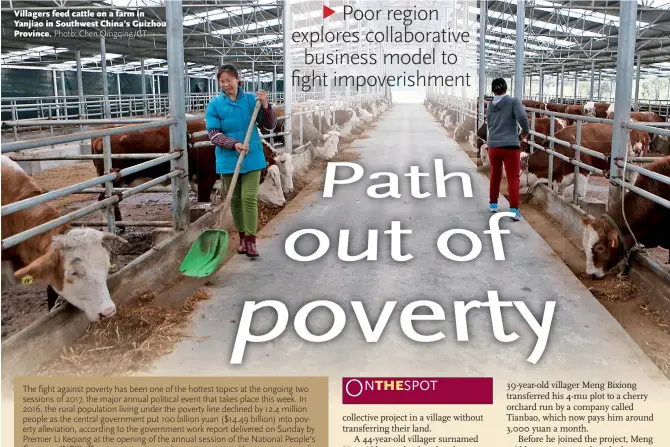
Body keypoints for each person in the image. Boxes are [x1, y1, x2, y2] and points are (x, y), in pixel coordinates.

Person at [205, 63, 277, 257]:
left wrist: (265, 105)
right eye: (222, 81)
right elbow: (213, 134)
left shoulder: (251, 101)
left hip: (252, 157)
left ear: (238, 79)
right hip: (228, 159)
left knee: (248, 198)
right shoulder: (215, 105)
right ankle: (243, 239)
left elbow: (270, 125)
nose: (226, 84)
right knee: (235, 200)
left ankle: (252, 242)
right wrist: (233, 143)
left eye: (229, 80)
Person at [485, 78, 530, 221]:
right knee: (512, 177)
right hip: (510, 145)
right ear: (506, 88)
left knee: (495, 174)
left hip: (493, 145)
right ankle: (514, 210)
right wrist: (525, 130)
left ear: (493, 91)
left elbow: (489, 124)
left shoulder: (490, 105)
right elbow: (522, 116)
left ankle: (493, 204)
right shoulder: (513, 102)